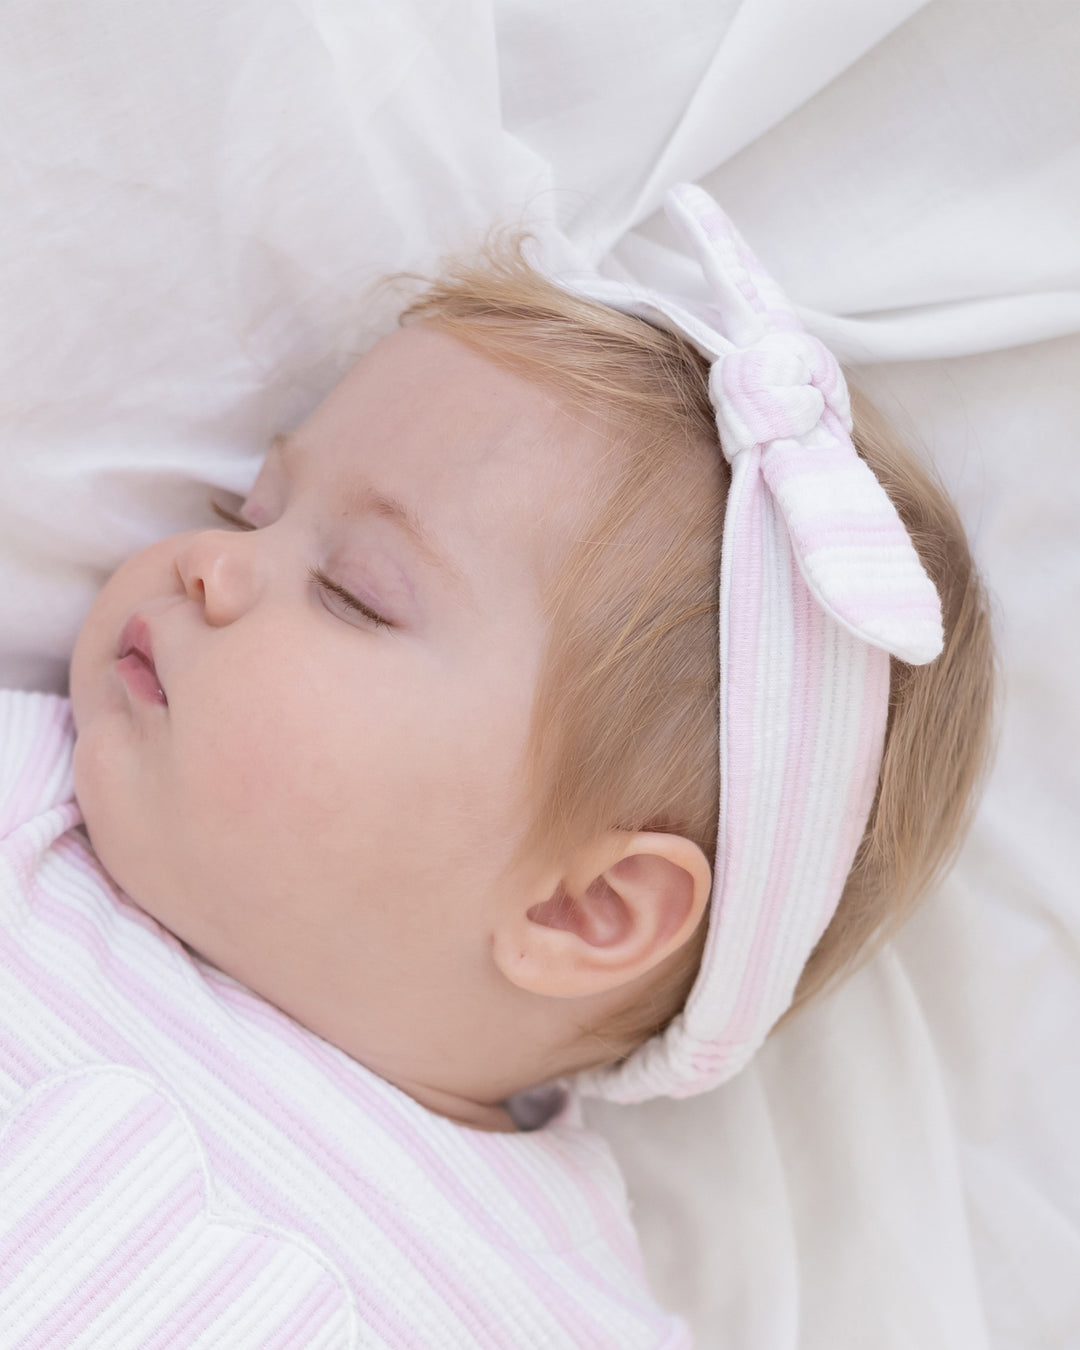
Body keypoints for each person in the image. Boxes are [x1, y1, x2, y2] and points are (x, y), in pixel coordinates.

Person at [0, 185, 994, 1346]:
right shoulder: (39, 805)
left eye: (351, 594)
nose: (213, 564)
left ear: (587, 905)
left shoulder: (553, 1311)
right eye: (250, 506)